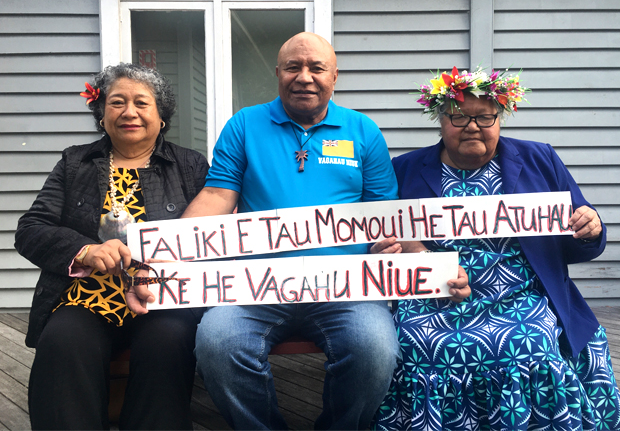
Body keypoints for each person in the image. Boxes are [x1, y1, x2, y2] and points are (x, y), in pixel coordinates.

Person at [161, 33, 469, 430]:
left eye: (316, 68)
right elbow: (218, 194)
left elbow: (386, 215)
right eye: (293, 67)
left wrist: (429, 265)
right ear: (278, 73)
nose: (304, 77)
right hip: (255, 285)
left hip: (346, 288)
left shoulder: (362, 130)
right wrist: (167, 252)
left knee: (374, 351)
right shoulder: (245, 125)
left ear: (334, 76)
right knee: (218, 343)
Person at [372, 66, 620, 431]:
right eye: (459, 116)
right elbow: (386, 234)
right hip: (436, 296)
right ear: (440, 121)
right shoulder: (406, 168)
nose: (472, 126)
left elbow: (579, 243)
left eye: (485, 116)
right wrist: (410, 256)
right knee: (419, 345)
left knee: (532, 344)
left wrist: (589, 227)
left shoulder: (539, 159)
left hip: (523, 295)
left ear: (500, 118)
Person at [14, 63, 209, 430]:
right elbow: (31, 229)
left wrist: (162, 269)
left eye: (141, 103)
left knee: (168, 341)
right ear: (102, 114)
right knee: (63, 342)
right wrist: (84, 250)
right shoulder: (75, 162)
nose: (129, 112)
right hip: (86, 297)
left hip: (159, 297)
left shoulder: (190, 165)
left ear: (161, 116)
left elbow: (209, 235)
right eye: (117, 102)